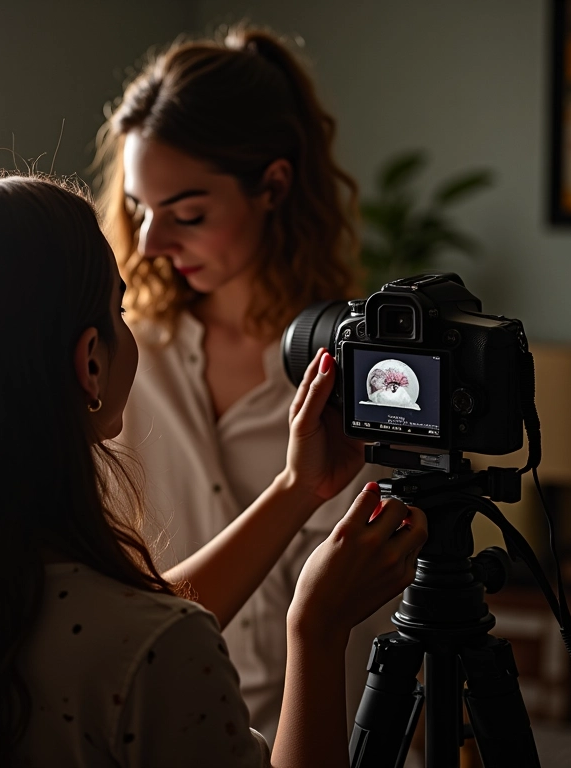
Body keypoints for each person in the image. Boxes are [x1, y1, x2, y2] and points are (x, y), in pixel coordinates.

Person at [0, 174, 425, 767]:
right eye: (119, 310)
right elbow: (138, 638)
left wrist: (297, 489)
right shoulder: (152, 648)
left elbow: (119, 627)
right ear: (90, 362)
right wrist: (317, 628)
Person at [94, 23, 397, 742]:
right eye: (139, 208)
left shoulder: (357, 374)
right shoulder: (122, 360)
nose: (151, 242)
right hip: (154, 732)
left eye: (188, 214)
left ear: (274, 185)